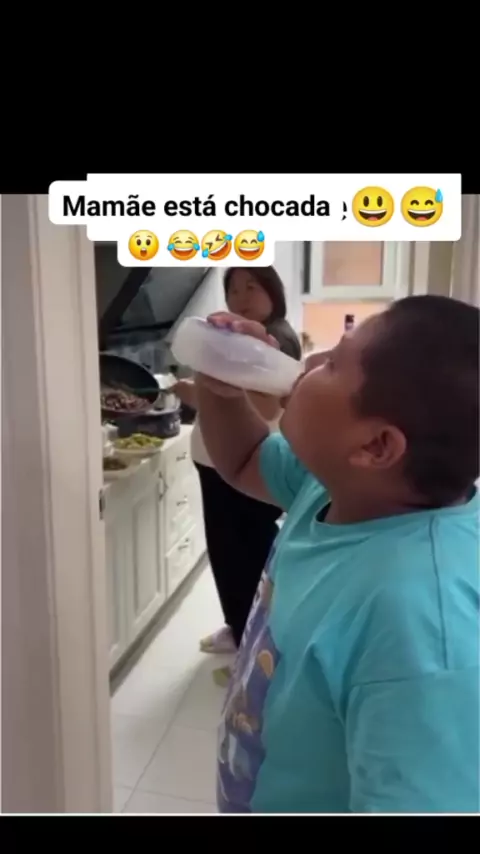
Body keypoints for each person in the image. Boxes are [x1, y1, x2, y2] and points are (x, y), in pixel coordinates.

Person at [196, 295, 480, 814]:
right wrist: (225, 385)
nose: (308, 362)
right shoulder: (338, 486)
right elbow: (244, 459)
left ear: (375, 447)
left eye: (332, 363)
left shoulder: (418, 627)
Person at [174, 267, 301, 669]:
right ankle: (239, 628)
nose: (241, 297)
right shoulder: (248, 339)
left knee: (242, 553)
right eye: (233, 289)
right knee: (231, 552)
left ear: (273, 292)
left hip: (241, 467)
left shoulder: (275, 339)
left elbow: (264, 405)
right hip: (222, 464)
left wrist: (197, 391)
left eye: (252, 286)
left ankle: (251, 637)